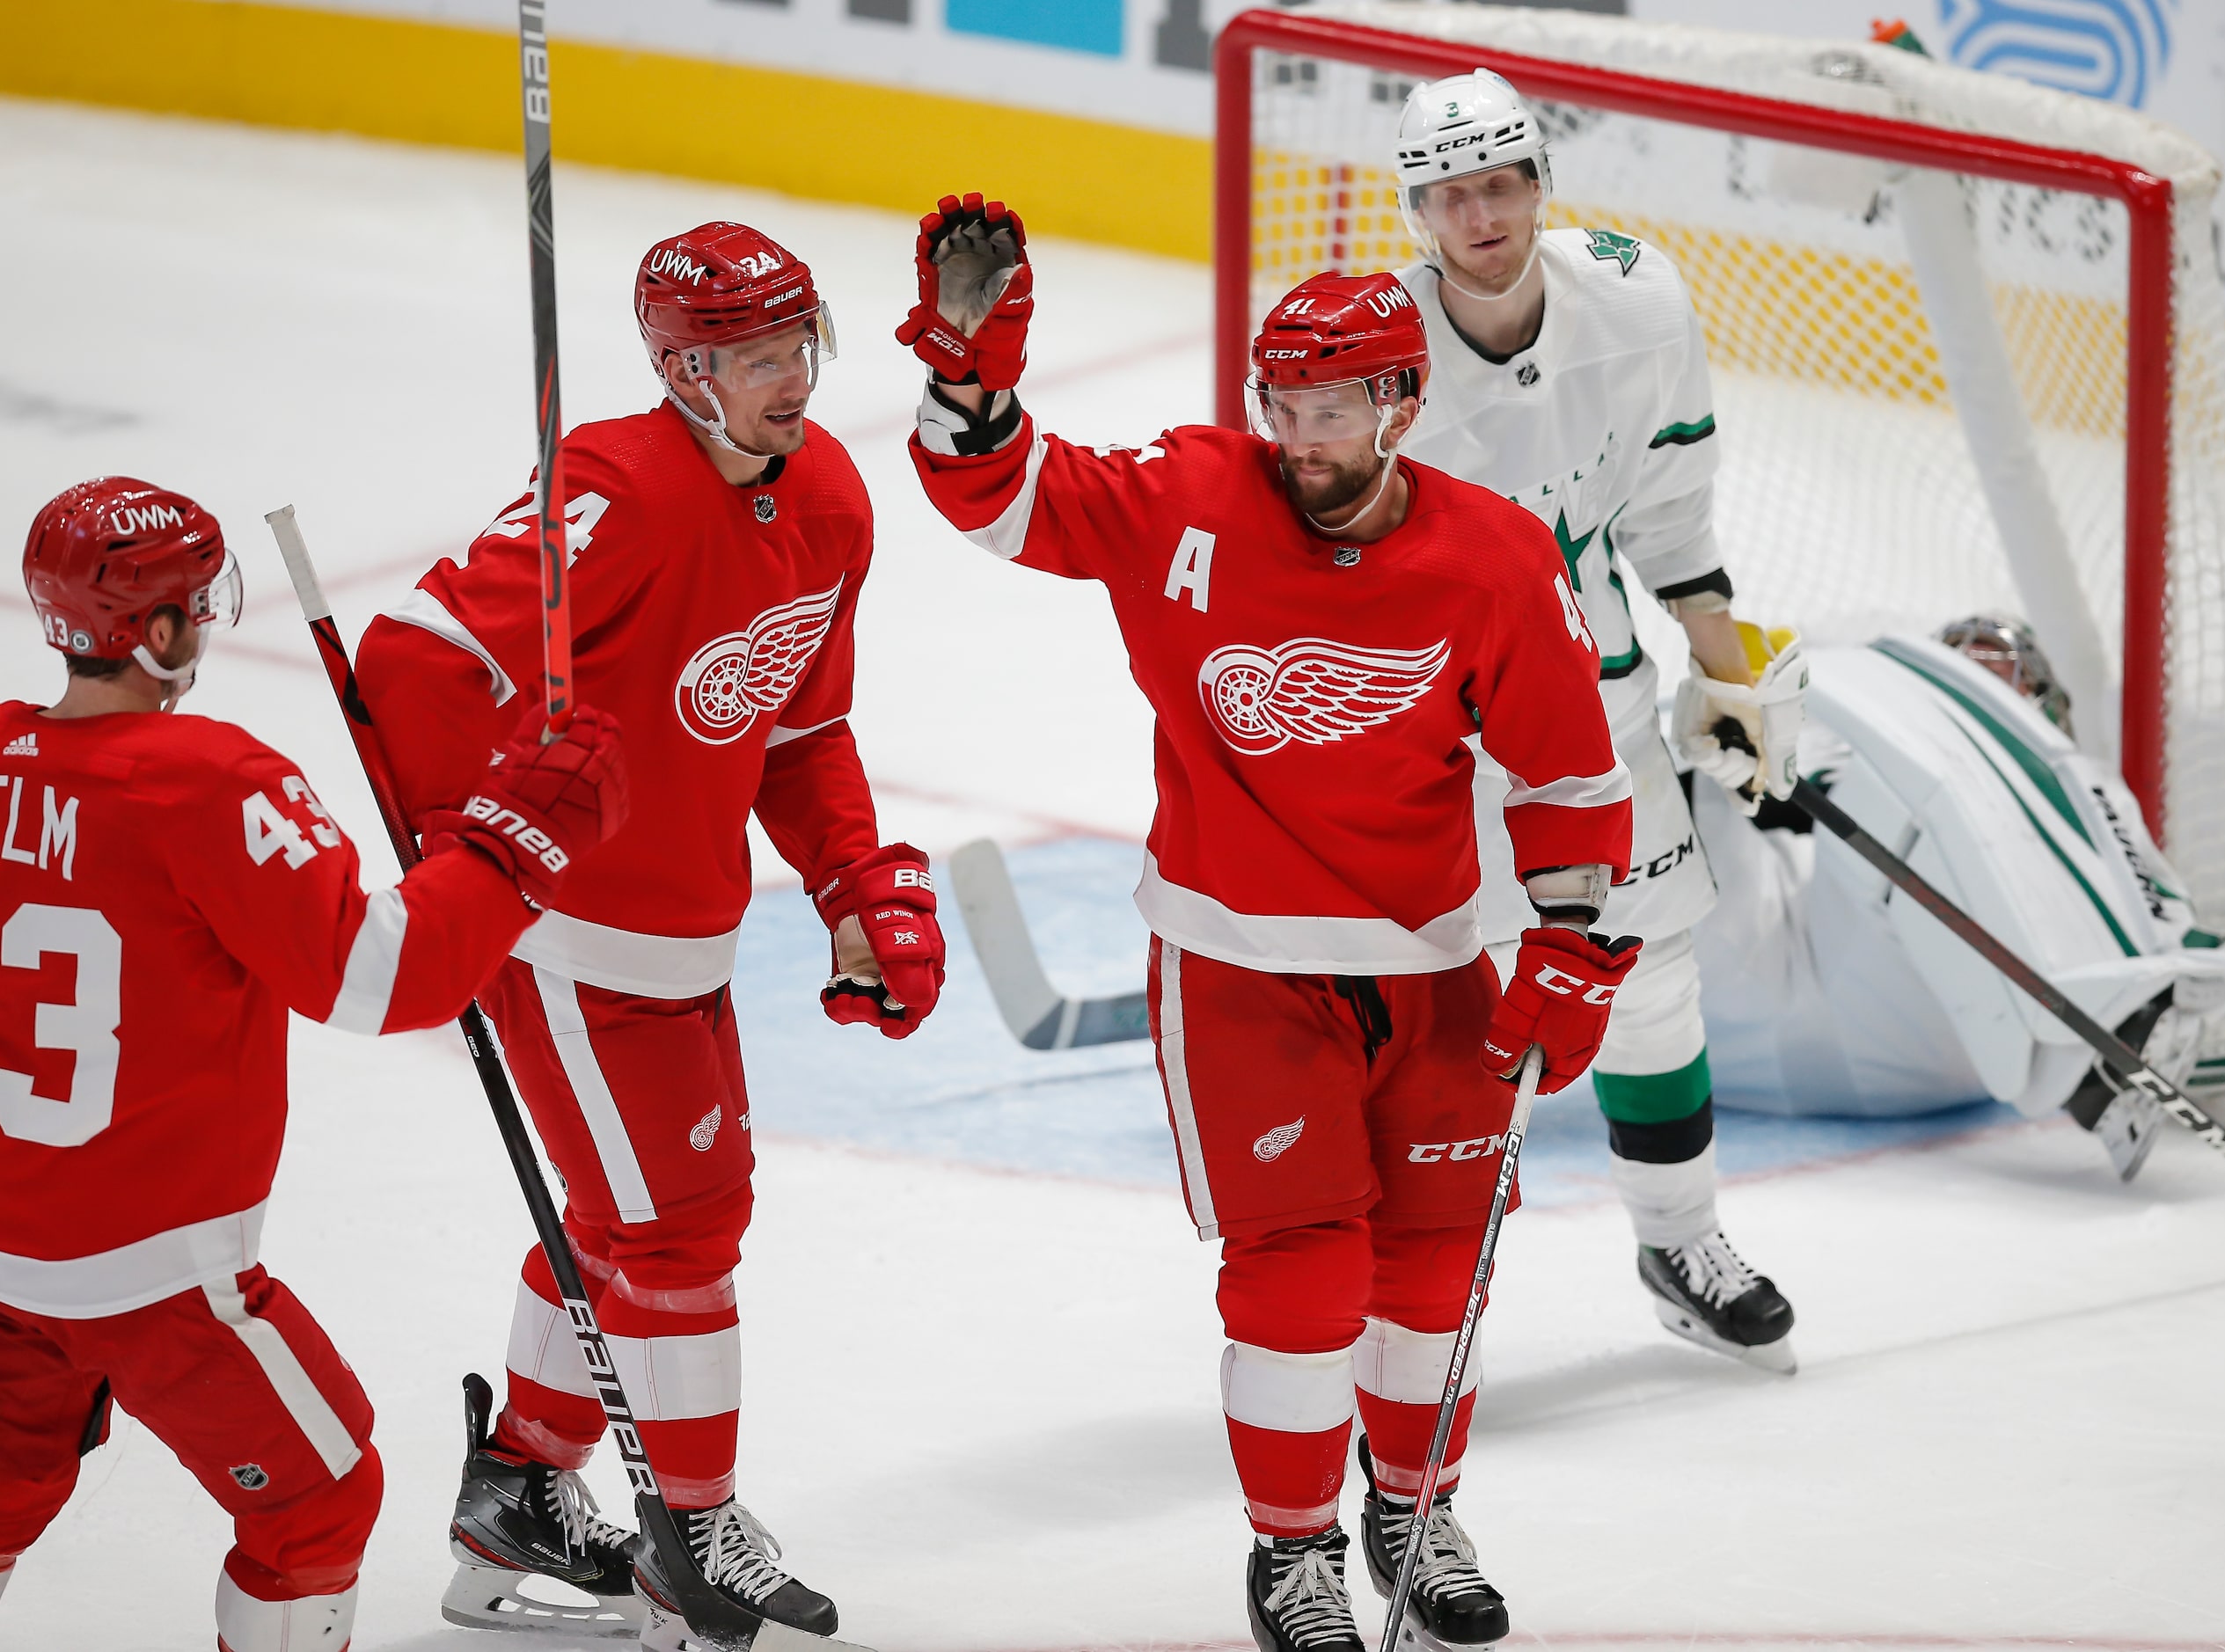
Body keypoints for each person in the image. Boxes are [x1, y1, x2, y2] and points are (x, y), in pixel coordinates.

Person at [903, 194, 1636, 1652]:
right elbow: (1003, 502)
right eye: (1279, 403)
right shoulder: (1186, 496)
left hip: (1428, 966)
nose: (1299, 437)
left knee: (1429, 1269)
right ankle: (1291, 1550)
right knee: (1299, 1268)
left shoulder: (1492, 556)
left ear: (1400, 400)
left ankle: (1412, 1509)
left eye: (1330, 407)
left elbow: (1565, 773)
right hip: (1237, 968)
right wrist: (970, 390)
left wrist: (1569, 943)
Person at [352, 221, 939, 1648]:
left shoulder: (831, 500)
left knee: (646, 1213)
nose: (788, 377)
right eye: (749, 355)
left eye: (798, 345)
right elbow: (412, 663)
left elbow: (799, 725)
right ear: (681, 369)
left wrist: (853, 882)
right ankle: (695, 1533)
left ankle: (521, 1490)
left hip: (685, 929)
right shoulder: (611, 487)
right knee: (675, 1231)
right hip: (566, 932)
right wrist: (481, 847)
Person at [0, 478, 627, 1652]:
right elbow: (384, 978)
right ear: (156, 632)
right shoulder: (209, 784)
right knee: (317, 1497)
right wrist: (511, 847)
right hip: (158, 1280)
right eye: (199, 600)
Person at [1390, 70, 1804, 1373]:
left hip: (1598, 704)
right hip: (1431, 738)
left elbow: (1674, 523)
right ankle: (1411, 1303)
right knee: (1439, 1014)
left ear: (1541, 185)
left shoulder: (1637, 298)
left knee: (1651, 983)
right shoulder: (1367, 353)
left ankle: (1680, 1240)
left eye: (1502, 182)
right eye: (1451, 192)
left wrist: (1730, 683)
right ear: (1419, 213)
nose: (1481, 212)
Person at [1691, 617, 2225, 1172]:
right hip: (1855, 1016)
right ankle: (2126, 1019)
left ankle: (2141, 1001)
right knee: (1681, 779)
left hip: (1809, 1016)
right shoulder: (1870, 759)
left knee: (1693, 787)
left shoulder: (2075, 807)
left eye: (2008, 688)